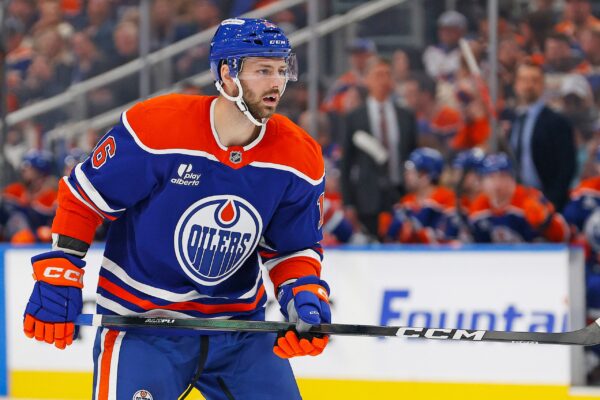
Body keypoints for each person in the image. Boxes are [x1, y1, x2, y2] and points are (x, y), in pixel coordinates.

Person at [22, 18, 331, 400]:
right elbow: (84, 197)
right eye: (263, 70)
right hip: (143, 327)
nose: (276, 83)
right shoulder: (157, 128)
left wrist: (302, 293)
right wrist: (61, 270)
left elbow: (292, 248)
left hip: (238, 332)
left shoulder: (298, 156)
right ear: (227, 73)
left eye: (282, 70)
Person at [341, 57, 417, 237]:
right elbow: (346, 163)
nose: (383, 80)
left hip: (400, 194)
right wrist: (348, 202)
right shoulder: (355, 118)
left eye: (387, 74)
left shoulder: (405, 116)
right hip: (367, 198)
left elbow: (412, 153)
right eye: (378, 75)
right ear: (366, 79)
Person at [508, 61, 576, 211]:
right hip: (518, 201)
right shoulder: (514, 121)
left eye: (535, 80)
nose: (529, 85)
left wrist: (552, 202)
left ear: (543, 85)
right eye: (524, 80)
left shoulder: (557, 122)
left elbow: (567, 167)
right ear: (516, 85)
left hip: (547, 200)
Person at [469, 153, 569, 243]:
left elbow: (564, 235)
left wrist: (546, 222)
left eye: (503, 176)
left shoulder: (530, 197)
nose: (497, 183)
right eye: (491, 177)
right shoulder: (478, 206)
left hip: (533, 256)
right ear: (482, 182)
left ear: (512, 179)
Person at [380, 147, 455, 244]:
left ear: (425, 175)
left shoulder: (447, 198)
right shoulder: (406, 201)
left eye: (411, 172)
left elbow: (450, 238)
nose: (406, 175)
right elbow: (393, 240)